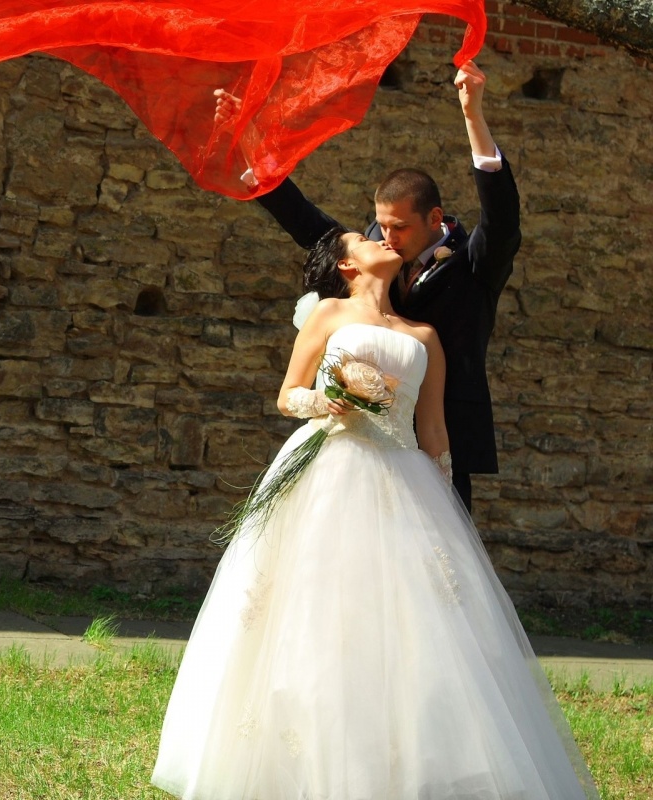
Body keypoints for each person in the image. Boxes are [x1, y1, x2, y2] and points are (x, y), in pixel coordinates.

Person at [150, 227, 597, 799]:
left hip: (402, 474)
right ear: (346, 266)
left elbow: (432, 429)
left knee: (415, 625)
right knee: (317, 609)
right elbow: (288, 392)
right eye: (362, 239)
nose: (378, 239)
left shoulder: (425, 336)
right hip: (330, 465)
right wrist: (322, 401)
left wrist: (447, 513)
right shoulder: (330, 314)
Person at [218, 61, 519, 510]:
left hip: (443, 432)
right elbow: (305, 221)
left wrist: (474, 116)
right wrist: (249, 142)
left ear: (434, 220)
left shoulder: (476, 264)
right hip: (361, 441)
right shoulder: (372, 252)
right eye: (379, 227)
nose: (386, 238)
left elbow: (502, 220)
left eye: (397, 228)